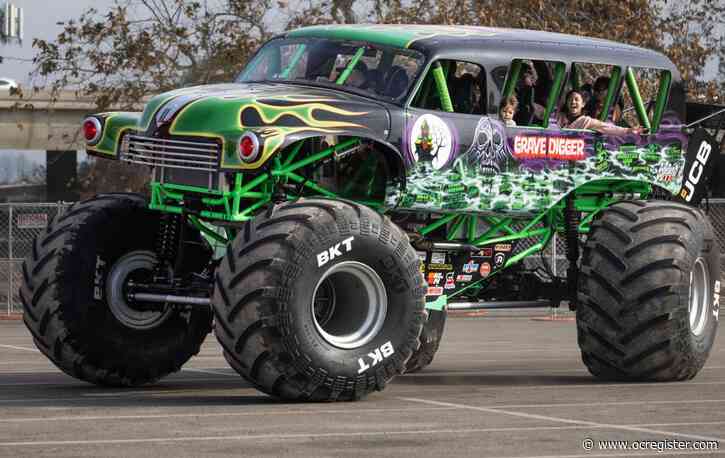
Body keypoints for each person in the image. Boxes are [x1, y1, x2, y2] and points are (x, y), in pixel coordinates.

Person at [557, 90, 640, 135]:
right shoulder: (559, 117)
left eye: (576, 99)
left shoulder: (586, 121)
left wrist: (627, 130)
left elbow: (606, 127)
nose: (573, 102)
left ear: (583, 104)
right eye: (570, 99)